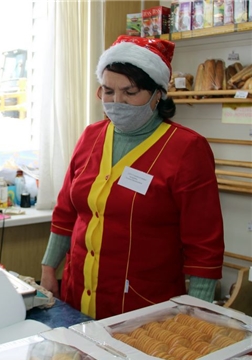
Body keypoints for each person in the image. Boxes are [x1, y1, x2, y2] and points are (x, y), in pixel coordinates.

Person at [40, 36, 224, 320]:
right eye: (108, 91)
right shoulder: (91, 136)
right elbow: (65, 212)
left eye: (130, 92)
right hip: (78, 295)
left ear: (158, 93)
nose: (117, 102)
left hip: (144, 306)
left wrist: (196, 314)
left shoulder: (187, 149)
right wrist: (49, 268)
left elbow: (204, 245)